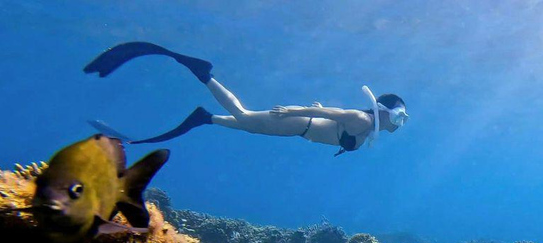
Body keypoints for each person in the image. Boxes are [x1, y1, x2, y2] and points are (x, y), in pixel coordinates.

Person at [84, 42, 408, 156]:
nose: (400, 123)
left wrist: (318, 111)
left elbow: (331, 115)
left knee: (248, 126)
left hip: (302, 127)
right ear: (384, 112)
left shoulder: (367, 126)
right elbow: (339, 113)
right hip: (298, 122)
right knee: (243, 115)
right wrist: (298, 109)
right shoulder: (364, 120)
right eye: (399, 117)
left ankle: (204, 118)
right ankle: (203, 72)